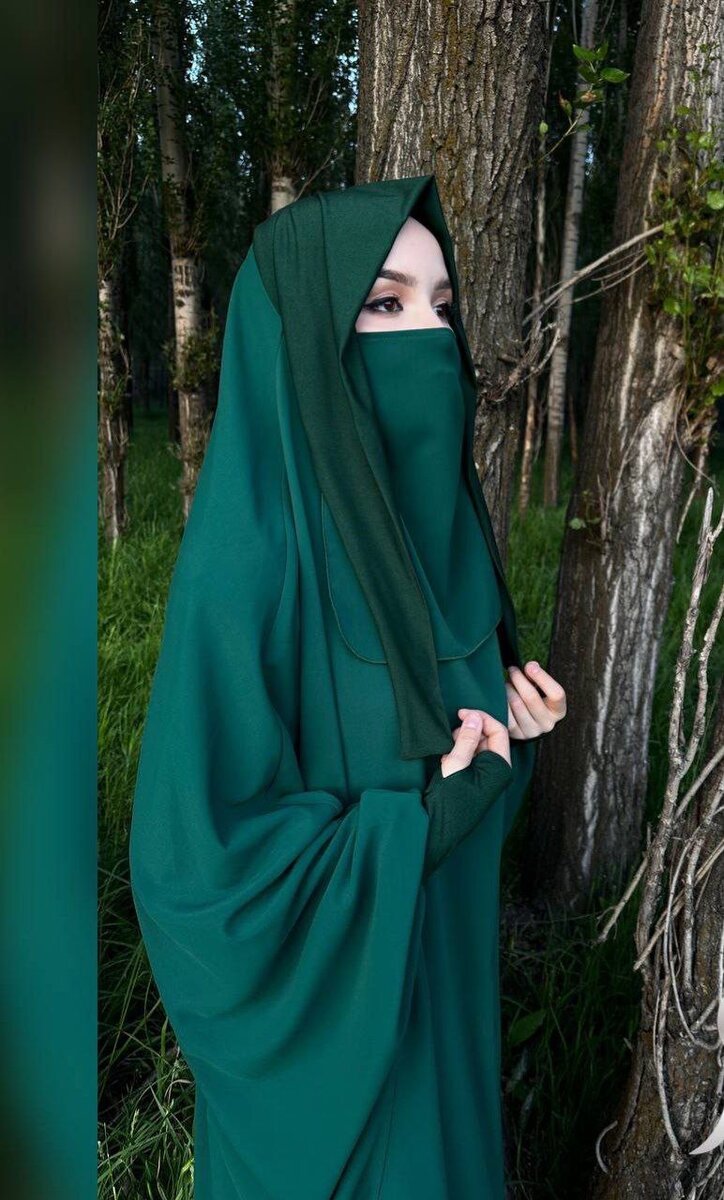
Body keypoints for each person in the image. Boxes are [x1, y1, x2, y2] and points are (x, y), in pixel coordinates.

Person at [129, 173, 566, 1200]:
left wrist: (511, 743)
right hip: (337, 1078)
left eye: (442, 307)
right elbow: (196, 873)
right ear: (305, 338)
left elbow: (462, 790)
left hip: (447, 1016)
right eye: (383, 304)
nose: (430, 339)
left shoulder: (451, 546)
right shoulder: (250, 562)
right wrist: (424, 824)